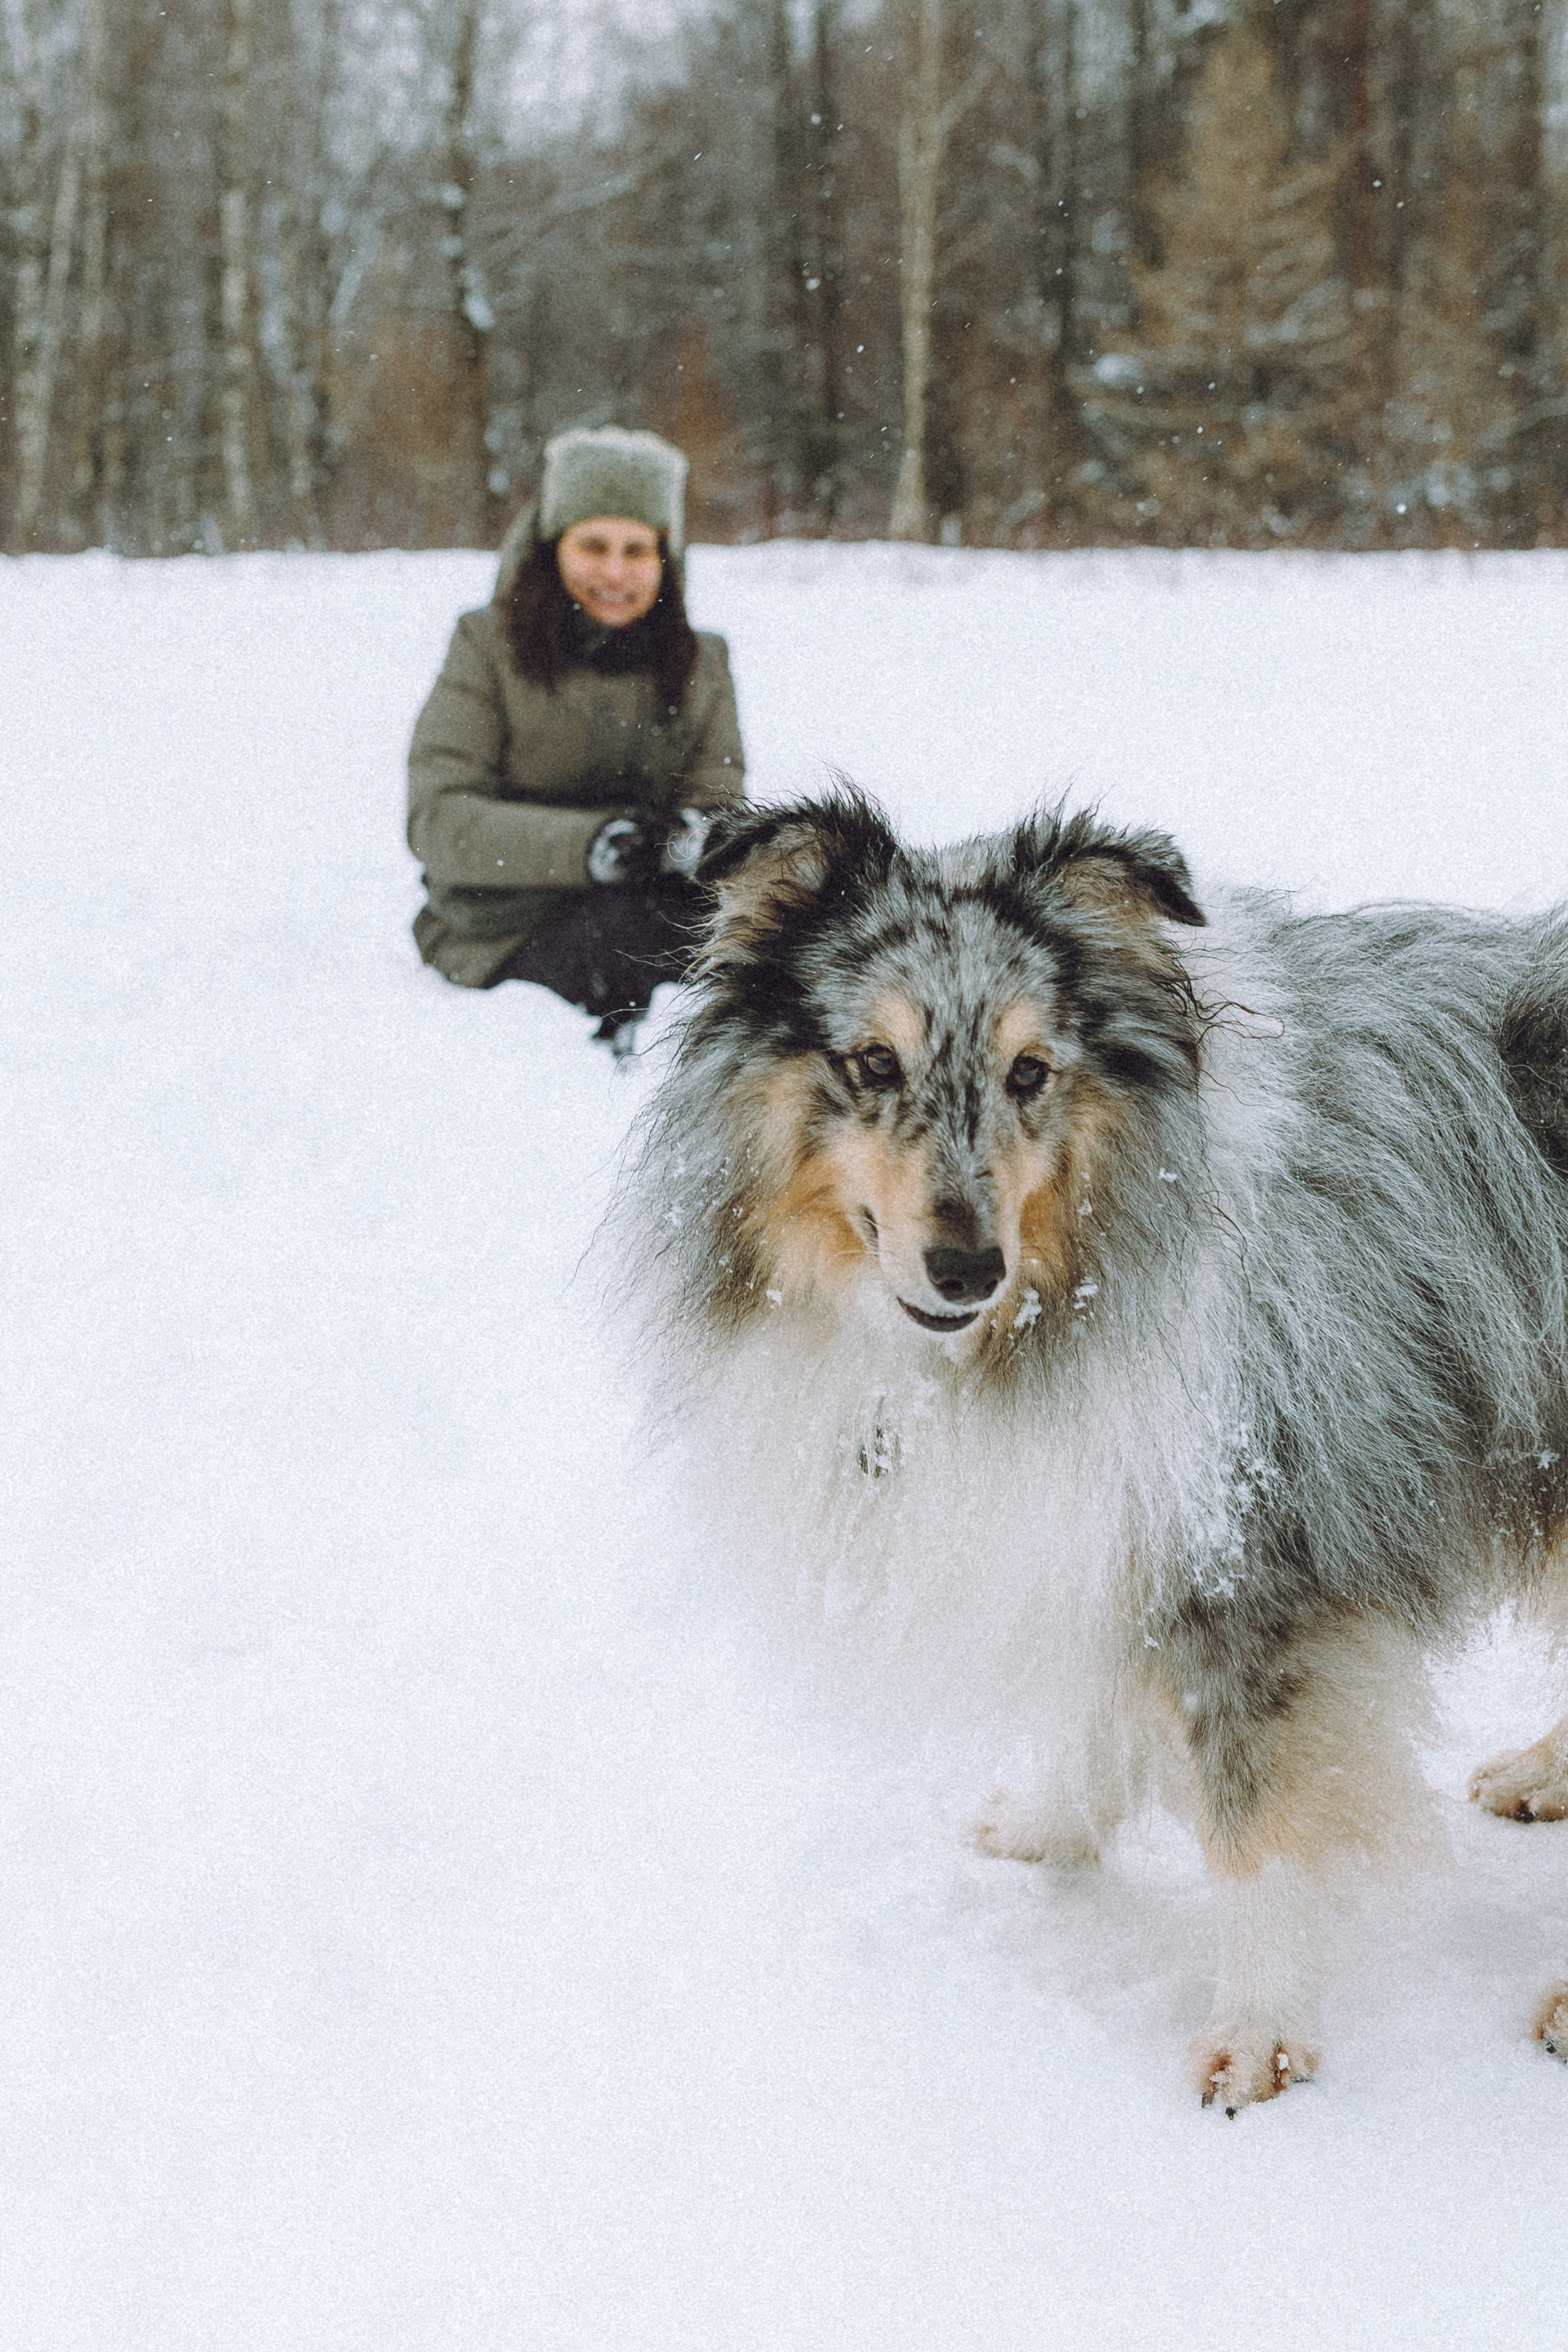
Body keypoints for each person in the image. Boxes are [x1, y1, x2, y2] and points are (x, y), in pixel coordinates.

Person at [407, 426, 746, 1051]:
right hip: (504, 920)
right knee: (621, 946)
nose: (615, 572)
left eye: (636, 549)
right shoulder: (486, 648)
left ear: (665, 557)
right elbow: (439, 819)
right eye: (593, 545)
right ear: (551, 546)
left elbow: (721, 800)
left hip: (657, 907)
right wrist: (592, 846)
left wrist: (686, 842)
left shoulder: (702, 662)